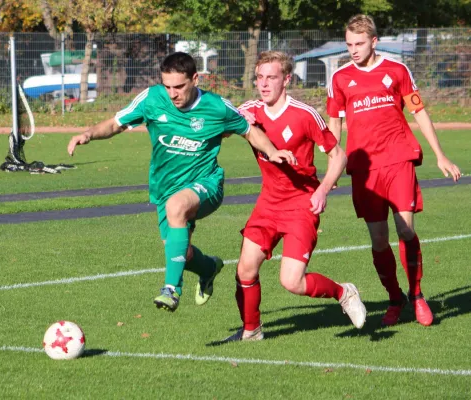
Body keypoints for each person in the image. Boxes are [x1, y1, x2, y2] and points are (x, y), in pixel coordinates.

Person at [67, 52, 296, 313]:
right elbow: (116, 124)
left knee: (177, 207)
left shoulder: (216, 106)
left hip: (207, 184)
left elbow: (248, 130)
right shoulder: (152, 99)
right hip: (165, 189)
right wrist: (88, 134)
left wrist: (272, 151)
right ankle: (209, 268)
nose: (172, 94)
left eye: (179, 86)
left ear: (195, 79)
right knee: (180, 253)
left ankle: (171, 289)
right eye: (167, 86)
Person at [326, 15, 461, 327]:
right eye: (348, 44)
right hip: (364, 169)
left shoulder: (397, 71)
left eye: (359, 44)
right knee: (378, 239)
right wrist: (332, 166)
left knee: (405, 229)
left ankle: (417, 295)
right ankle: (395, 298)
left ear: (374, 42)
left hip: (399, 160)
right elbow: (334, 123)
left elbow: (418, 110)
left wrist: (440, 155)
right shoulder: (340, 78)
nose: (353, 50)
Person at [224, 51, 366, 342]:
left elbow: (338, 156)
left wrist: (323, 189)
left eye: (271, 77)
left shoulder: (305, 114)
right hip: (268, 202)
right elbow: (223, 126)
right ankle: (251, 331)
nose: (264, 84)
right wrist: (237, 118)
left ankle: (344, 292)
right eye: (260, 77)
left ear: (286, 79)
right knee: (245, 270)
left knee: (292, 281)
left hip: (302, 203)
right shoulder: (250, 110)